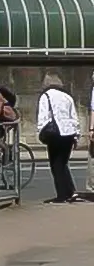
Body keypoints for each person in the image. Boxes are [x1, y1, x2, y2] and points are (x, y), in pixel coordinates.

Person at [36, 74, 81, 203]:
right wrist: (76, 134)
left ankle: (62, 195)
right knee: (63, 163)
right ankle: (70, 191)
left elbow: (43, 116)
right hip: (69, 133)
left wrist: (41, 132)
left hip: (55, 133)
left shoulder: (46, 96)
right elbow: (74, 116)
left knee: (56, 165)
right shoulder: (67, 97)